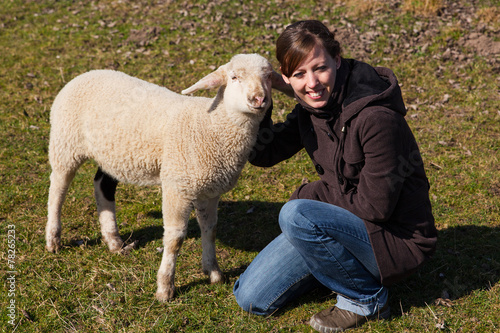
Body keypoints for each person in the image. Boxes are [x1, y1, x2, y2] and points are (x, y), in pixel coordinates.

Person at [232, 20, 438, 332]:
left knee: (297, 214)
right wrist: (263, 101)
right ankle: (333, 263)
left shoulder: (376, 118)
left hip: (396, 239)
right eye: (299, 74)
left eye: (320, 69)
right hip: (346, 224)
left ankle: (365, 299)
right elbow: (265, 153)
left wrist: (309, 195)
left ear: (337, 61)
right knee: (251, 298)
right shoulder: (312, 109)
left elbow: (376, 208)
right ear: (285, 78)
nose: (312, 83)